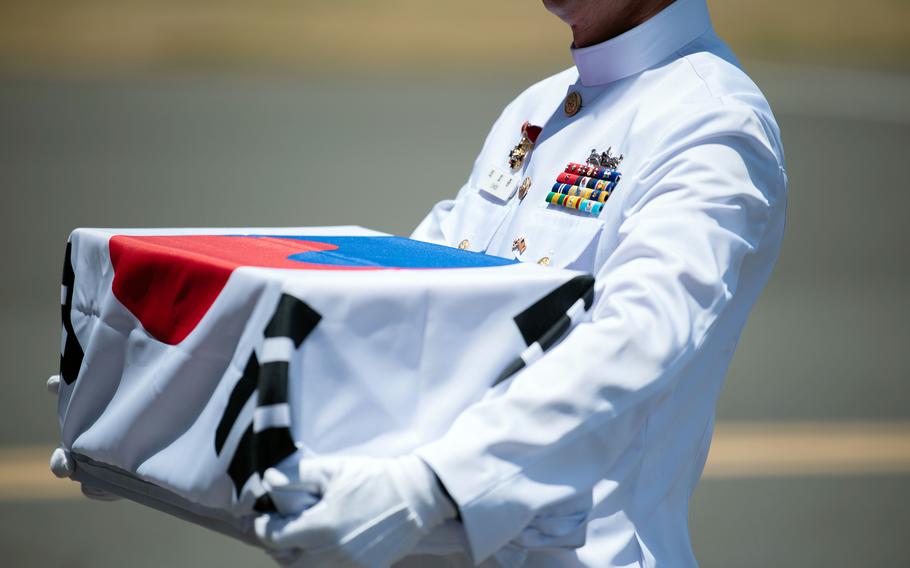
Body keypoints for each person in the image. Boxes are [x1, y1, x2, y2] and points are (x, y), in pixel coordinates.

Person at [57, 0, 787, 566]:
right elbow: (399, 305)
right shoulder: (536, 111)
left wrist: (433, 487)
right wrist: (151, 433)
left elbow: (638, 342)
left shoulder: (709, 120)